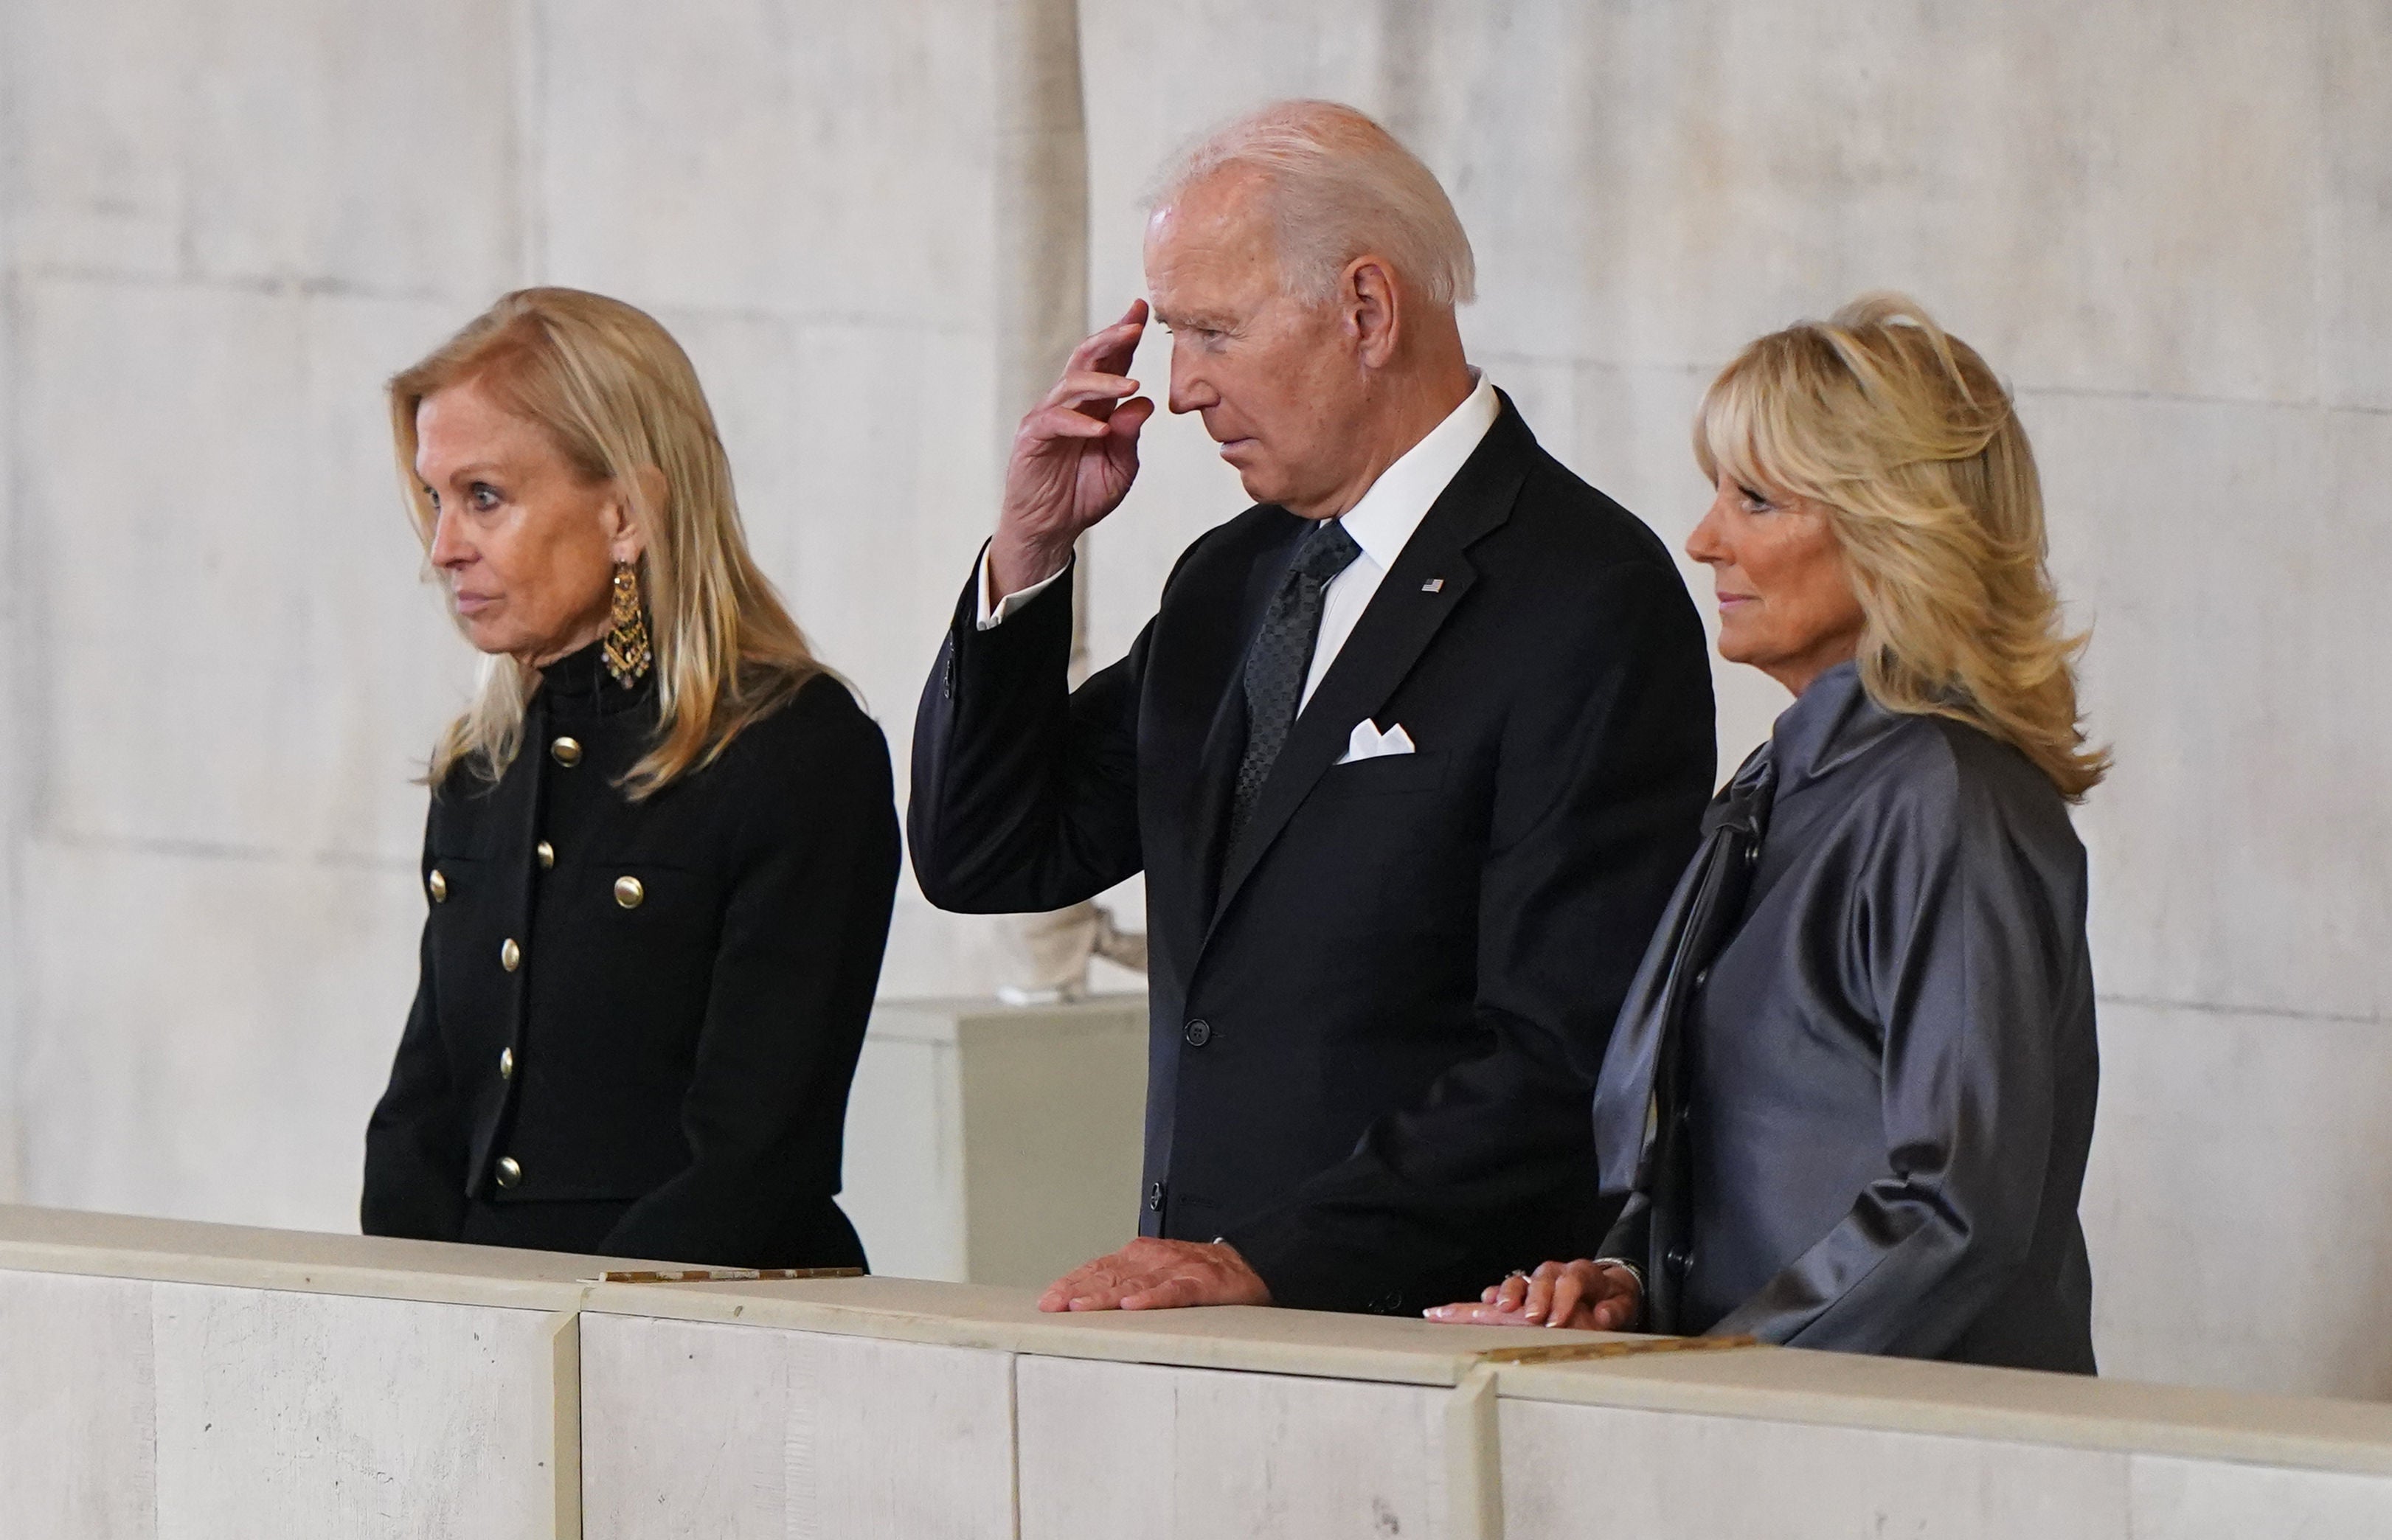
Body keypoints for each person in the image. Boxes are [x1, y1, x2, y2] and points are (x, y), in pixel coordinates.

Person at [909, 101, 1716, 1316]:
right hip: (1203, 1323)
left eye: (1214, 332)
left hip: (1434, 1336)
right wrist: (1028, 556)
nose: (1178, 392)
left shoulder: (1587, 594)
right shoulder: (1233, 581)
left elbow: (1559, 1054)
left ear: (1366, 311)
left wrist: (1270, 1259)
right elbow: (992, 852)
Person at [1429, 296, 2107, 1372]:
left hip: (1912, 1462)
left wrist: (1716, 1367)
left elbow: (1955, 1210)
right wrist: (1627, 1282)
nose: (1704, 540)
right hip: (1776, 1436)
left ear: (1894, 526)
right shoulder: (1778, 783)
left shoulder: (1945, 796)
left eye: (1756, 499)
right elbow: (1732, 1164)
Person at [362, 288, 900, 1269]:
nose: (444, 548)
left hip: (707, 1323)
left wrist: (584, 1329)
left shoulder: (792, 751)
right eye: (437, 500)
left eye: (485, 497)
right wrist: (416, 1314)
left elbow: (759, 1154)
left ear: (624, 515)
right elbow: (423, 1117)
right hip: (496, 1323)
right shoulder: (482, 766)